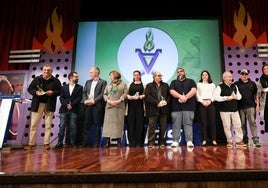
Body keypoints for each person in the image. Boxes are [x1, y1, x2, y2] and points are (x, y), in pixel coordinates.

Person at [24, 64, 62, 150]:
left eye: (48, 70)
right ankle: (31, 143)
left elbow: (59, 91)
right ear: (42, 70)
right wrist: (36, 92)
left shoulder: (56, 81)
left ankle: (46, 143)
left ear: (51, 71)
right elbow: (30, 89)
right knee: (34, 124)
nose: (46, 72)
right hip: (37, 104)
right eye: (45, 70)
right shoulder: (37, 79)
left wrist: (52, 92)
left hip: (50, 104)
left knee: (48, 125)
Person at [213, 71, 246, 148]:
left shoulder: (234, 86)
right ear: (224, 78)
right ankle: (229, 141)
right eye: (229, 77)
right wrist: (225, 98)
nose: (231, 78)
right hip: (224, 110)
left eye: (231, 77)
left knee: (238, 125)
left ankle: (239, 140)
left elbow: (240, 96)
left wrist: (236, 97)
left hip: (234, 109)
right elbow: (215, 97)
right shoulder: (219, 87)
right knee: (227, 126)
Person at [54, 71, 83, 149]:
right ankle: (60, 142)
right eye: (76, 76)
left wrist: (72, 105)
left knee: (73, 126)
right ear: (71, 77)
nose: (77, 78)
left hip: (74, 109)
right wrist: (66, 104)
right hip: (64, 109)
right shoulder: (64, 87)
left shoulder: (80, 87)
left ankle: (72, 143)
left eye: (77, 76)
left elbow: (79, 98)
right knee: (62, 126)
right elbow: (61, 97)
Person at [170, 68, 197, 148]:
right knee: (176, 125)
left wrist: (186, 97)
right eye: (178, 72)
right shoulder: (173, 82)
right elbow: (171, 91)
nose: (179, 73)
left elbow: (194, 90)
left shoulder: (191, 81)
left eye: (181, 71)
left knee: (188, 124)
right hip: (176, 107)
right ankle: (175, 141)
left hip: (189, 107)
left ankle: (189, 141)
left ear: (184, 72)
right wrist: (180, 96)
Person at [234, 69, 261, 147]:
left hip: (251, 106)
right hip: (240, 107)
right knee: (242, 124)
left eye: (245, 73)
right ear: (240, 74)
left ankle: (256, 140)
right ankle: (244, 140)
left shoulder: (252, 83)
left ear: (248, 74)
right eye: (242, 74)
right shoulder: (236, 84)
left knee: (252, 122)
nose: (244, 75)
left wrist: (258, 105)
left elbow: (256, 95)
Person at [81, 67, 107, 147]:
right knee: (86, 124)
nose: (90, 74)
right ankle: (85, 143)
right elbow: (84, 92)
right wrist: (86, 100)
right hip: (88, 105)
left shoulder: (103, 82)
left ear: (96, 73)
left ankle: (96, 143)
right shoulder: (88, 82)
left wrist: (94, 101)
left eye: (91, 72)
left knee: (97, 125)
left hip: (97, 106)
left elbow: (102, 94)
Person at [144, 71, 170, 149]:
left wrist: (166, 102)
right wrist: (157, 103)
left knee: (163, 126)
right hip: (153, 109)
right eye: (158, 75)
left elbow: (169, 96)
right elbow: (147, 96)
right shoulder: (149, 85)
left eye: (161, 75)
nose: (160, 77)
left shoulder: (166, 85)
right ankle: (151, 142)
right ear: (154, 77)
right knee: (152, 126)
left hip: (164, 109)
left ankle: (161, 142)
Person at [102, 70, 127, 147]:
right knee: (108, 125)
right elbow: (104, 94)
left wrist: (119, 100)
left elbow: (125, 93)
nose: (110, 77)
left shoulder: (123, 84)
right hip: (109, 107)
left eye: (111, 75)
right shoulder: (109, 84)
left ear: (115, 75)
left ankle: (119, 142)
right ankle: (108, 142)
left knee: (118, 125)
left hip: (119, 107)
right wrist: (108, 100)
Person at [196, 70, 217, 146]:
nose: (204, 76)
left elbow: (214, 94)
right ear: (201, 76)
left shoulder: (212, 85)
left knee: (212, 122)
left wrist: (210, 101)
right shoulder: (198, 84)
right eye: (203, 75)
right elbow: (197, 94)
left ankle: (214, 139)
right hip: (202, 104)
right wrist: (202, 101)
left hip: (211, 104)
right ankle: (204, 139)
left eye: (206, 75)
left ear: (208, 76)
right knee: (203, 123)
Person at [126, 70, 145, 147]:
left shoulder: (144, 85)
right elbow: (125, 94)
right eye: (135, 75)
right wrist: (129, 97)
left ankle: (139, 142)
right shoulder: (129, 84)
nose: (136, 76)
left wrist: (140, 97)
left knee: (140, 124)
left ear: (140, 76)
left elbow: (146, 94)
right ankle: (132, 142)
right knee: (131, 124)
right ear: (133, 76)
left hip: (140, 106)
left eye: (137, 75)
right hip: (131, 107)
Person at [259, 63, 268, 133]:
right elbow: (258, 92)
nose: (266, 70)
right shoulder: (261, 79)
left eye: (267, 68)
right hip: (265, 102)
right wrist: (262, 90)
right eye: (264, 69)